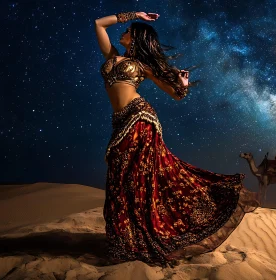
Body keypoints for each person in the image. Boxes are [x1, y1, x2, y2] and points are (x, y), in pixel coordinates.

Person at [94, 11, 259, 267]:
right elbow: (98, 24)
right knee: (119, 178)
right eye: (126, 29)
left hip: (140, 118)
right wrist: (133, 14)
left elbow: (176, 95)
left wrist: (182, 82)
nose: (124, 32)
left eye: (129, 30)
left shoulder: (142, 65)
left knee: (136, 178)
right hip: (120, 123)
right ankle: (125, 240)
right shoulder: (111, 56)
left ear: (137, 38)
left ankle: (139, 239)